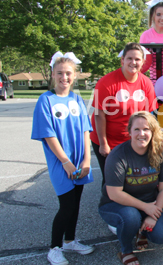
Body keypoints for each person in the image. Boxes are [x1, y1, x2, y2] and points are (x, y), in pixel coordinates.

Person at [32, 52, 95, 265]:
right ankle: (55, 248)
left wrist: (87, 160)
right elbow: (49, 134)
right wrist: (65, 162)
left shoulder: (76, 98)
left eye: (68, 73)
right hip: (62, 163)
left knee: (76, 204)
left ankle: (70, 241)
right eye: (60, 73)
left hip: (79, 161)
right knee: (66, 205)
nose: (64, 77)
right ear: (52, 74)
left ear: (74, 75)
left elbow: (86, 131)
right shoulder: (45, 100)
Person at [98, 111, 163, 265]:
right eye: (136, 129)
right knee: (131, 217)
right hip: (116, 204)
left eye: (146, 129)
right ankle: (125, 250)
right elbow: (114, 193)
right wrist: (146, 208)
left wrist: (153, 215)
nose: (141, 134)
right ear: (129, 131)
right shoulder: (117, 156)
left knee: (162, 237)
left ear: (152, 131)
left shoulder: (159, 154)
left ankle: (141, 230)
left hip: (148, 203)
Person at [90, 43, 157, 187]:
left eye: (138, 59)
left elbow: (149, 116)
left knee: (131, 177)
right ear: (122, 60)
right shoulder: (106, 82)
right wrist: (103, 143)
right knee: (111, 178)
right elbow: (98, 115)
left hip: (131, 140)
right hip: (108, 139)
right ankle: (108, 207)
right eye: (129, 58)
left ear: (143, 62)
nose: (133, 62)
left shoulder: (146, 83)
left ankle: (129, 207)